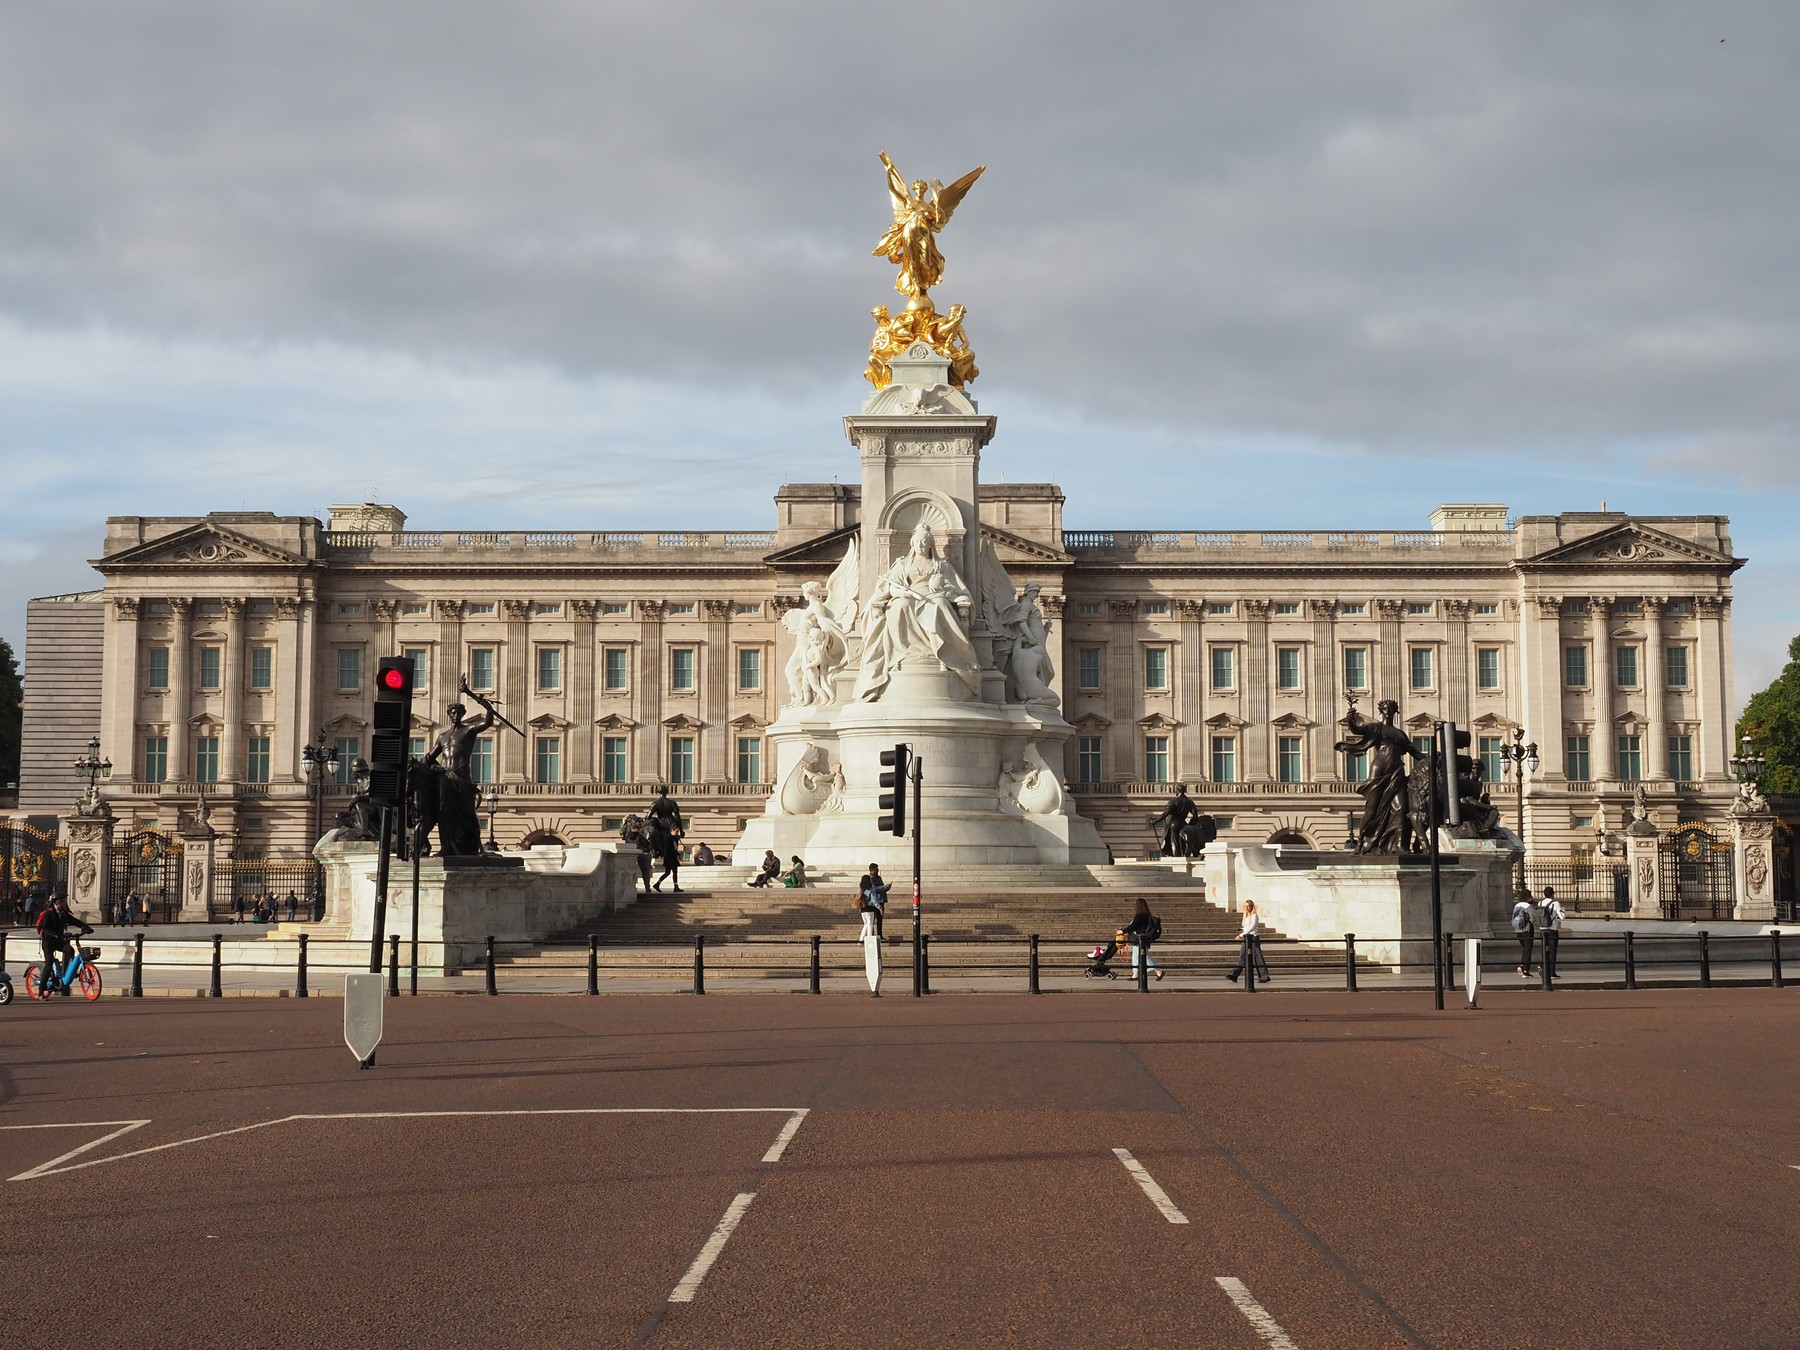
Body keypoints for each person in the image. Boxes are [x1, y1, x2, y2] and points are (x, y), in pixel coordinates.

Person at [36, 896, 93, 998]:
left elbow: (75, 921)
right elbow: (46, 929)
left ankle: (66, 973)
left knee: (69, 950)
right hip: (48, 942)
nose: (65, 903)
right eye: (64, 901)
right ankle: (41, 991)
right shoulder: (49, 914)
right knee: (48, 965)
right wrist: (55, 934)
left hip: (58, 941)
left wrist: (85, 927)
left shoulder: (63, 914)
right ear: (58, 902)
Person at [1225, 900, 1272, 984]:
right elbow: (1247, 927)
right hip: (1246, 938)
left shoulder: (1254, 915)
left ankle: (1264, 976)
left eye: (1248, 906)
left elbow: (1252, 927)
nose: (1247, 908)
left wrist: (1241, 935)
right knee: (1242, 956)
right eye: (1245, 906)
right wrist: (1242, 930)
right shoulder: (1246, 916)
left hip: (1253, 938)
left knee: (1258, 958)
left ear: (1252, 906)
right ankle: (1234, 974)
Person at [1122, 898, 1164, 980]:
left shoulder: (1140, 916)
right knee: (1136, 956)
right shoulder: (1147, 915)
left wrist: (1123, 931)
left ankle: (1158, 971)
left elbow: (1133, 926)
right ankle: (1136, 973)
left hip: (1140, 939)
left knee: (1144, 957)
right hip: (1144, 939)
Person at [857, 864, 890, 939]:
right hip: (872, 907)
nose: (878, 870)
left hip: (865, 908)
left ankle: (862, 940)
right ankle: (870, 939)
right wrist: (885, 887)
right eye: (876, 869)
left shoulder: (861, 889)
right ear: (872, 870)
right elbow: (874, 898)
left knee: (867, 924)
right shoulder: (871, 885)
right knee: (870, 924)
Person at [1540, 886, 1566, 982]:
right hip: (1552, 929)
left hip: (1542, 929)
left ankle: (1543, 968)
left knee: (1544, 951)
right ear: (1552, 894)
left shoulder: (1540, 902)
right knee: (1552, 951)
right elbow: (1562, 917)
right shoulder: (1555, 903)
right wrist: (1563, 909)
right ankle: (1551, 972)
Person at [1511, 888, 1537, 977]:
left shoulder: (1516, 906)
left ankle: (1522, 966)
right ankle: (1526, 970)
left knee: (1524, 949)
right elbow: (1533, 918)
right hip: (1527, 930)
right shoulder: (1528, 906)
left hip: (1518, 930)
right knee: (1528, 950)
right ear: (1528, 897)